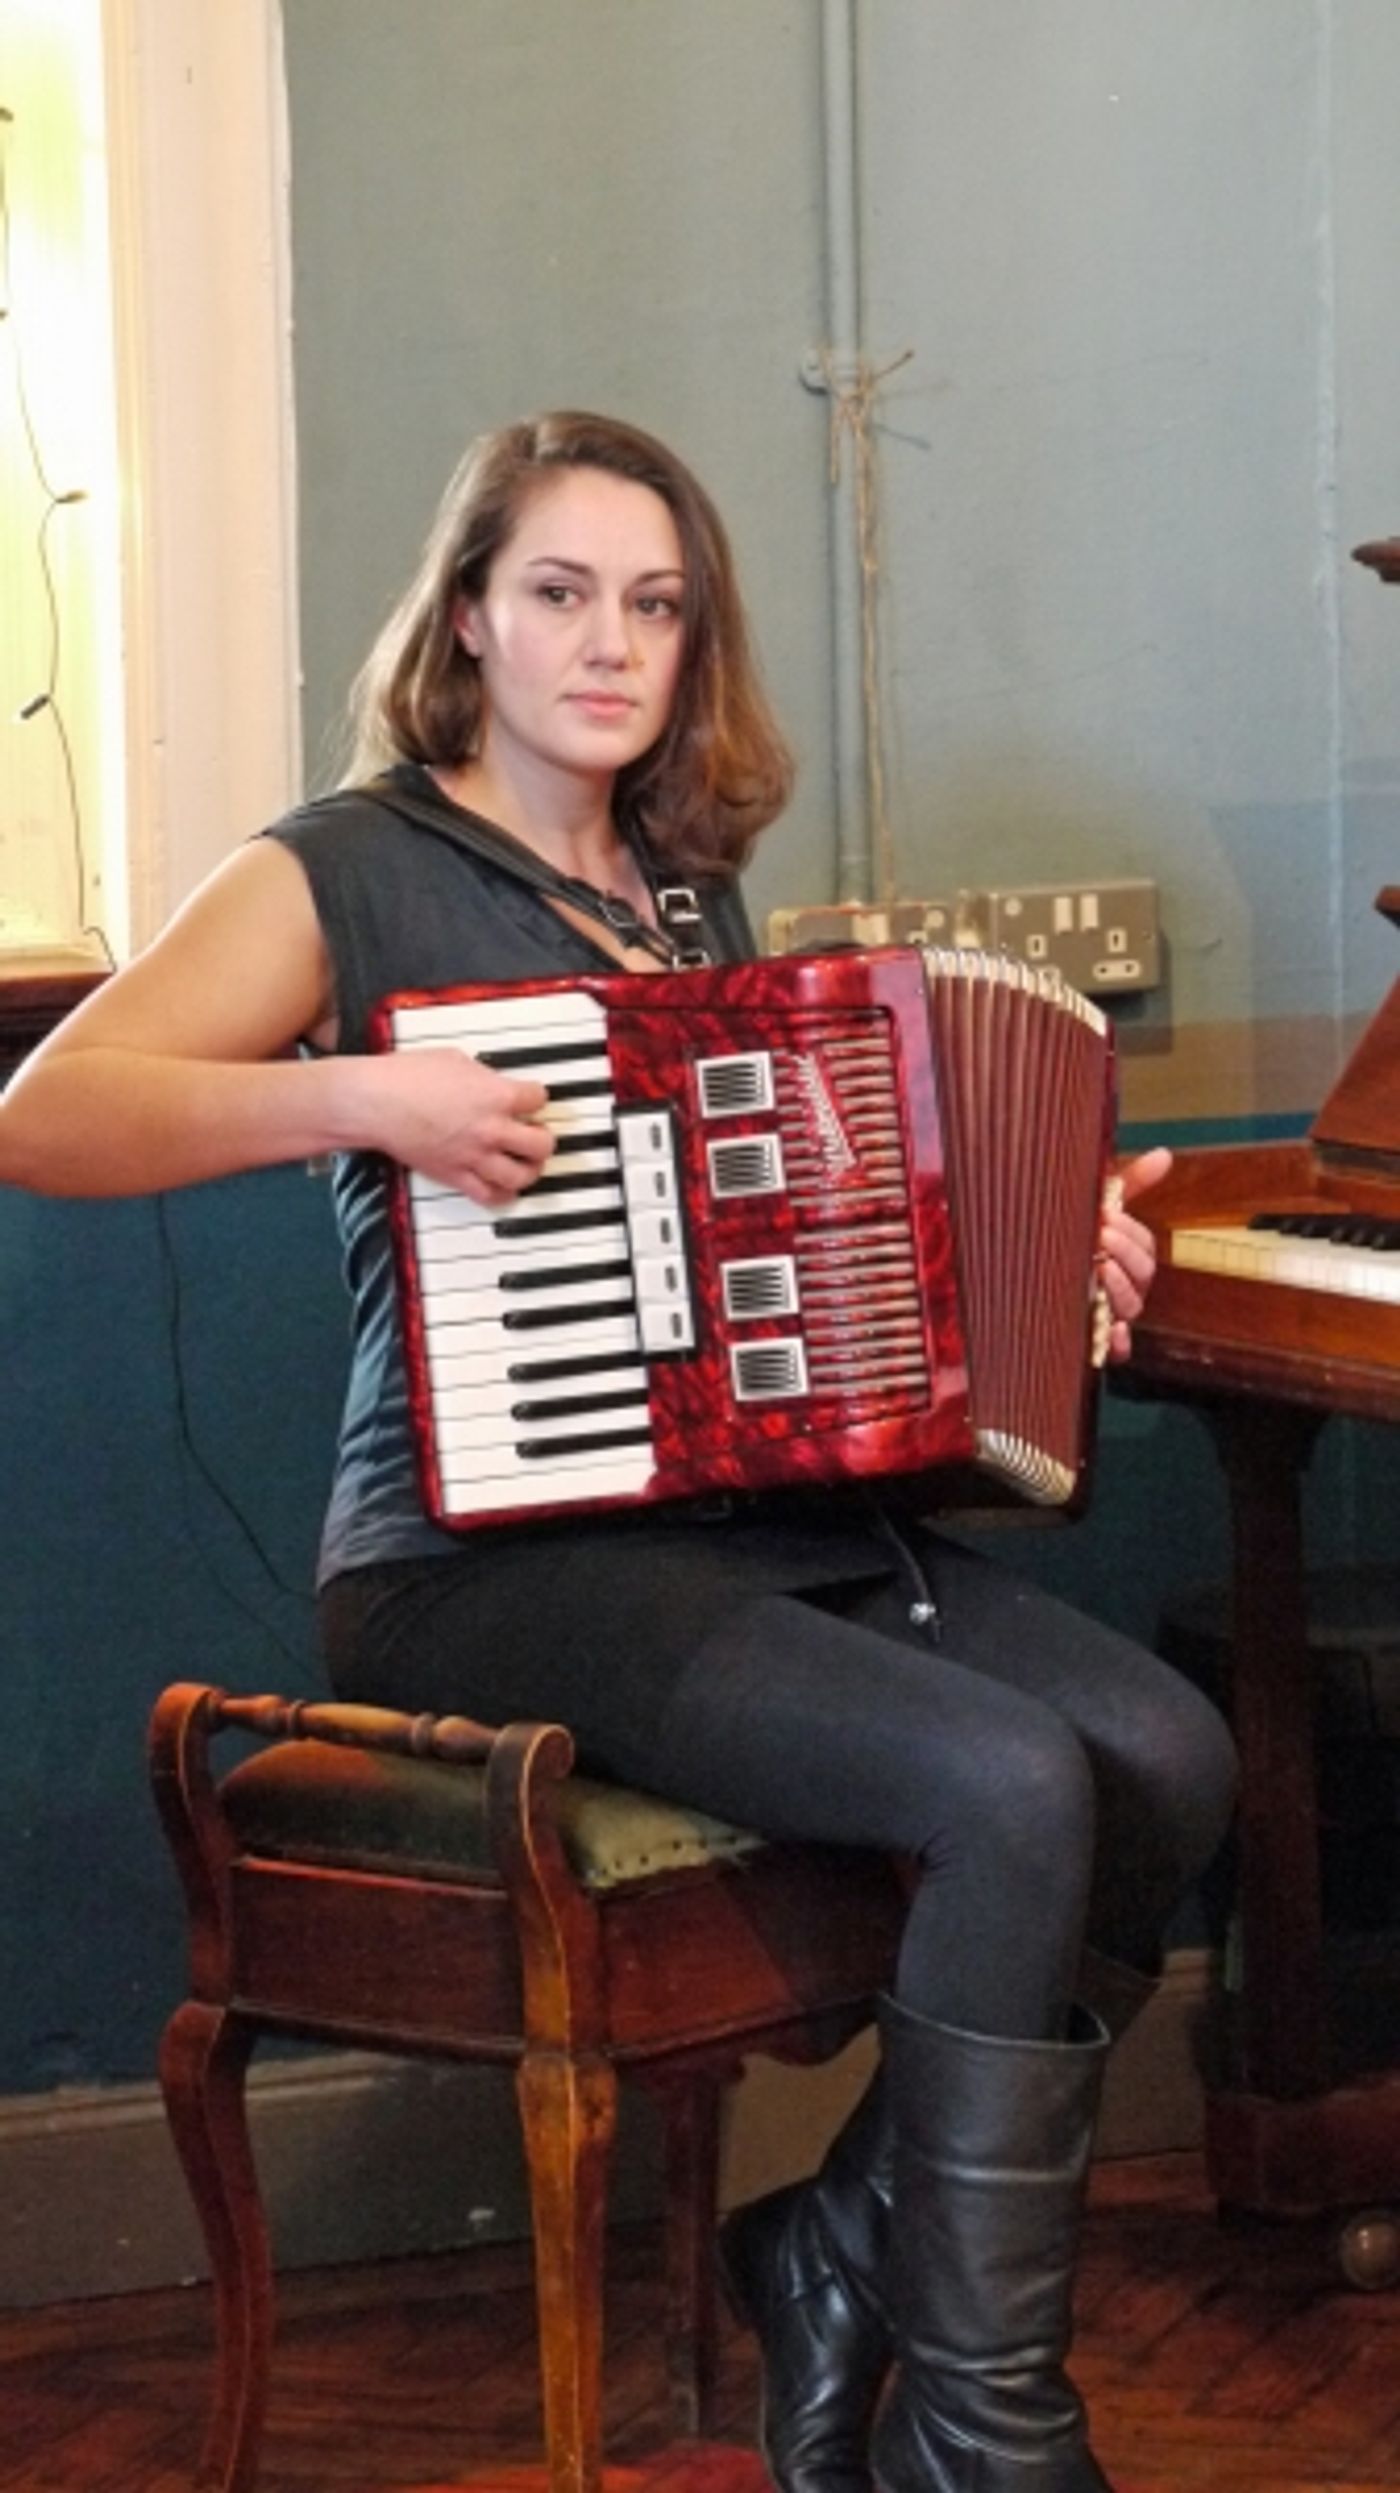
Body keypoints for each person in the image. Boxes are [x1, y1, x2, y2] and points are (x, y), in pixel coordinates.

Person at [0, 410, 1236, 2493]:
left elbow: (799, 1252)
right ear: (470, 613)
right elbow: (46, 1110)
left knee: (1171, 1756)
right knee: (1009, 1777)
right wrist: (361, 1104)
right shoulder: (345, 864)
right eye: (561, 591)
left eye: (652, 603)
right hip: (479, 1559)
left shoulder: (682, 897)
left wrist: (1038, 1242)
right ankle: (984, 2416)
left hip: (740, 1528)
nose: (609, 641)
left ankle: (840, 2242)